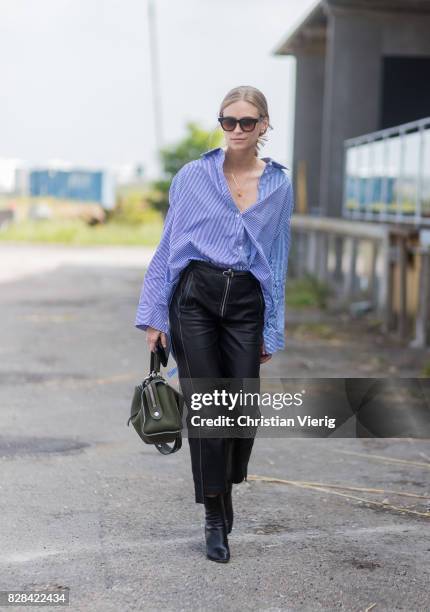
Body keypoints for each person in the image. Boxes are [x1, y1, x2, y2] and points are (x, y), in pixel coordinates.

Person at [135, 85, 294, 563]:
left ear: (264, 125)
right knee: (207, 408)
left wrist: (272, 326)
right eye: (229, 121)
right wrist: (154, 315)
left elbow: (279, 255)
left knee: (241, 411)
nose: (238, 130)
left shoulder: (280, 185)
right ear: (221, 123)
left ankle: (225, 483)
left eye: (248, 122)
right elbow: (168, 245)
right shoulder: (192, 176)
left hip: (246, 301)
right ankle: (213, 516)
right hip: (194, 299)